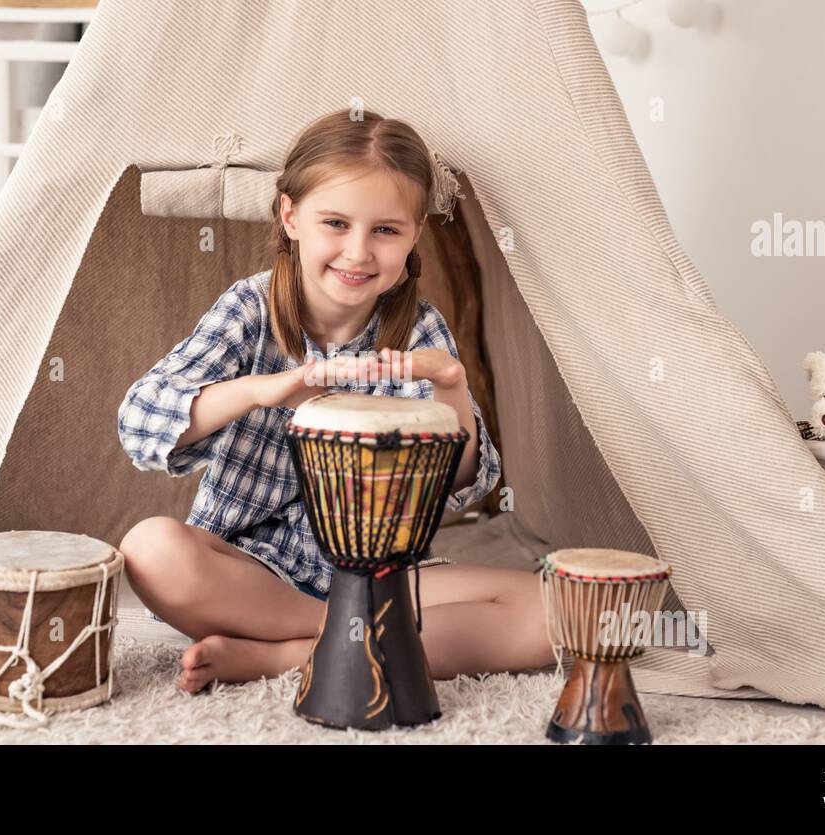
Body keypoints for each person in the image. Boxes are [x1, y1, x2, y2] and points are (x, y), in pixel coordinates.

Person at [117, 108, 553, 693]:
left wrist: (452, 383)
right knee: (150, 548)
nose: (357, 253)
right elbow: (139, 421)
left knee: (554, 613)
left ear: (414, 235)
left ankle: (288, 657)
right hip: (251, 568)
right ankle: (353, 638)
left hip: (384, 572)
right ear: (291, 216)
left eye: (385, 230)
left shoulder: (418, 331)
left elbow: (464, 485)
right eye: (336, 223)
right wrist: (266, 389)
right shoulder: (249, 310)